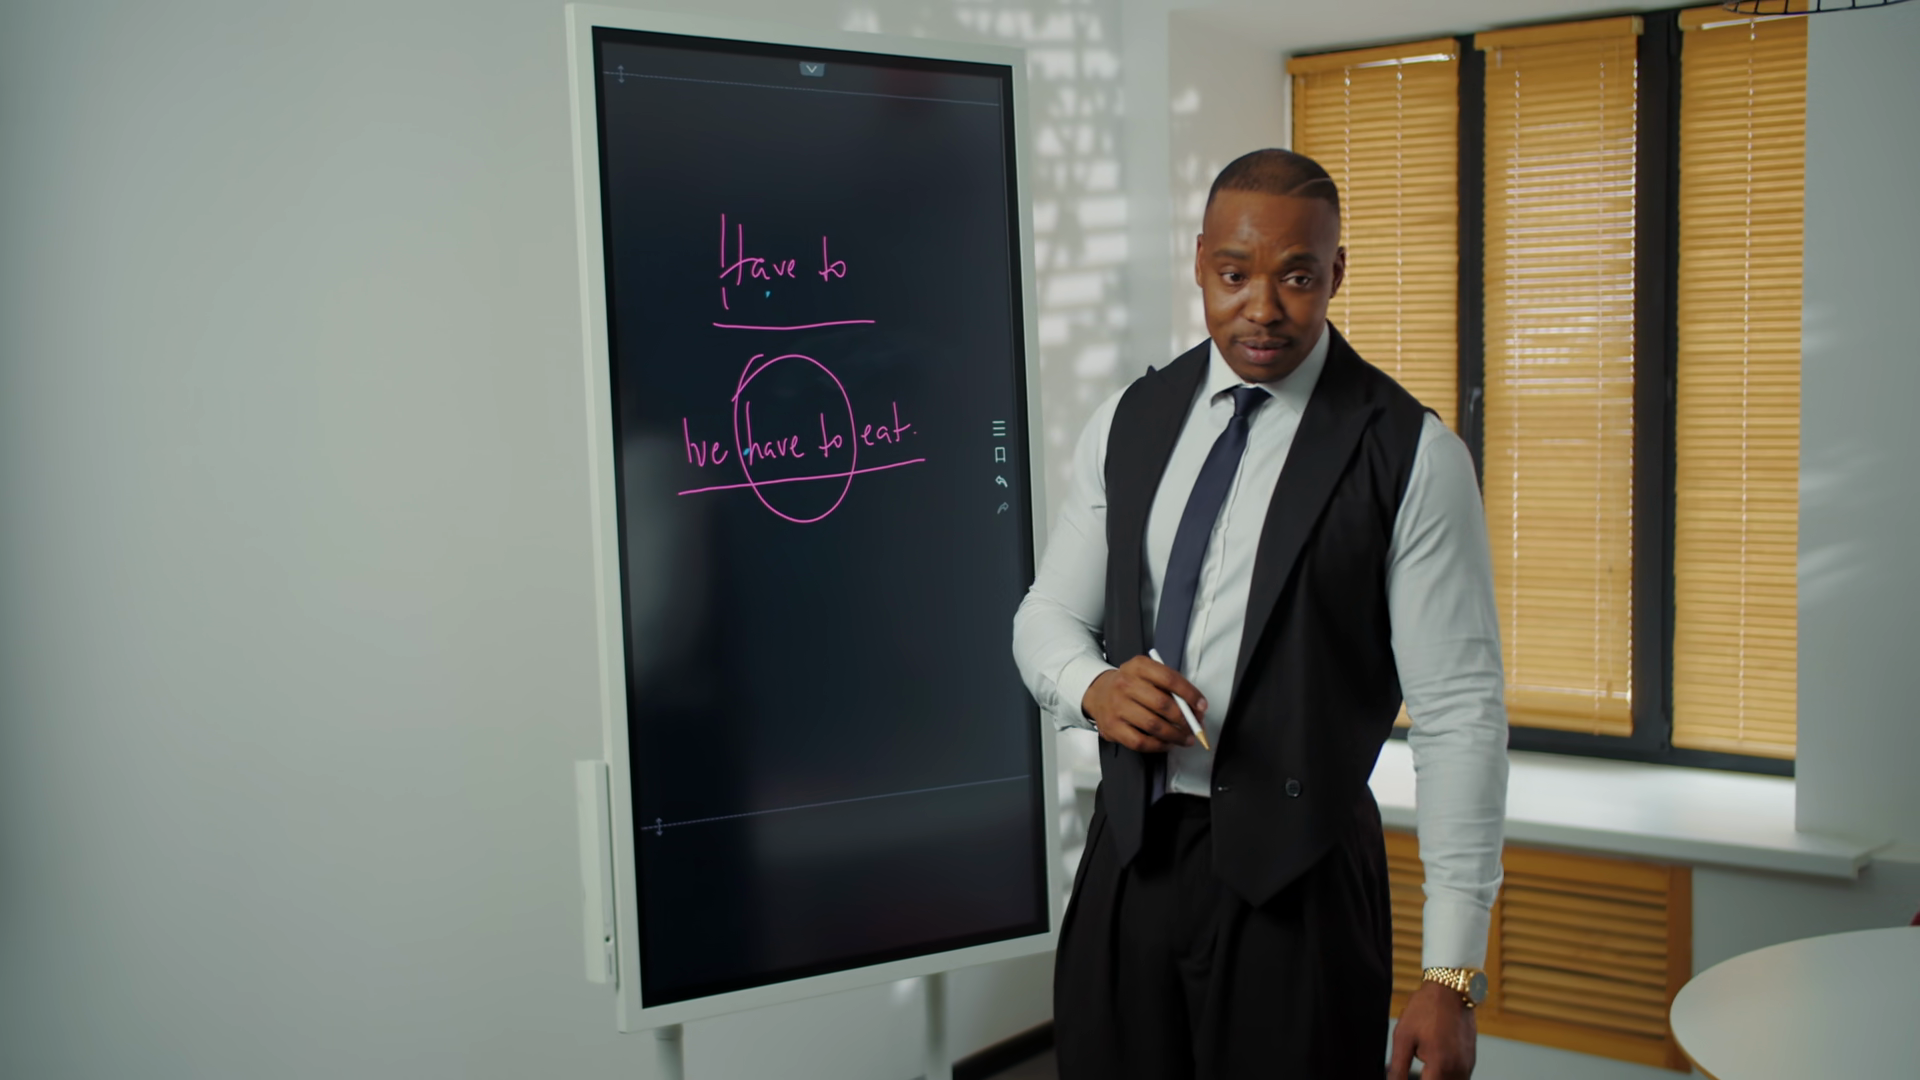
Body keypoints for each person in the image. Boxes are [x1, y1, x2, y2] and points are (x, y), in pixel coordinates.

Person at [1013, 149, 1508, 1079]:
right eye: (1236, 275)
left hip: (1301, 889)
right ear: (1201, 261)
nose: (1264, 308)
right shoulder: (1129, 419)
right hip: (1131, 864)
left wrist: (1451, 973)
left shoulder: (1413, 454)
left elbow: (1461, 718)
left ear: (1336, 274)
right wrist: (1093, 688)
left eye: (1298, 277)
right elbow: (1046, 615)